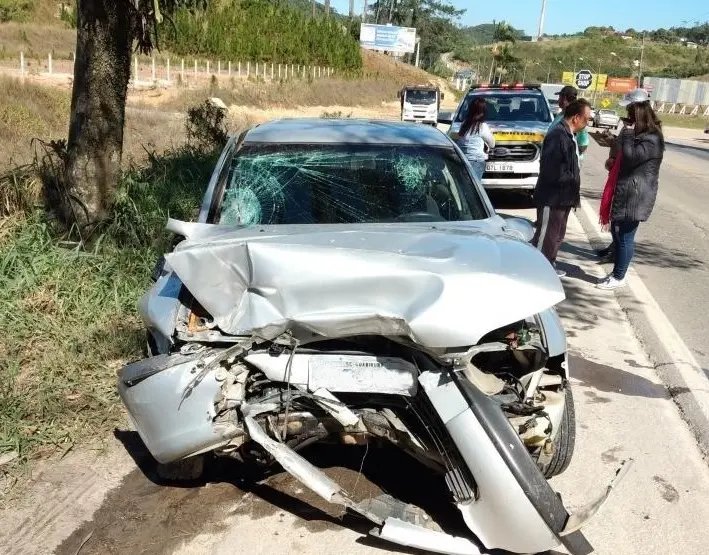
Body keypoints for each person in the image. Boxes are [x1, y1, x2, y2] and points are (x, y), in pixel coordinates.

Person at [596, 91, 664, 290]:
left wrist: (626, 133)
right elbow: (623, 154)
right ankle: (617, 272)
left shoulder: (652, 138)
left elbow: (630, 157)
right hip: (627, 190)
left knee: (625, 237)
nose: (628, 115)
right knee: (617, 233)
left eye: (630, 111)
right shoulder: (641, 134)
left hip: (636, 194)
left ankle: (619, 277)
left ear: (638, 111)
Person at [532, 98, 592, 277]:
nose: (587, 123)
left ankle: (549, 264)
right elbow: (552, 170)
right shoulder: (558, 135)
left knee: (557, 235)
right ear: (576, 118)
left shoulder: (569, 135)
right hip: (553, 197)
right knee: (546, 236)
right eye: (586, 119)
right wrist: (570, 182)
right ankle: (538, 270)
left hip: (564, 197)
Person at [456, 97, 495, 183]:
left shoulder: (464, 124)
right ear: (483, 112)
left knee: (464, 186)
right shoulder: (482, 126)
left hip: (462, 159)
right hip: (476, 161)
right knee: (474, 186)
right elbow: (492, 144)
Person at [550, 85, 590, 163]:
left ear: (564, 98)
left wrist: (567, 158)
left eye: (559, 97)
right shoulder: (562, 114)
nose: (558, 100)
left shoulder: (575, 118)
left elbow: (583, 145)